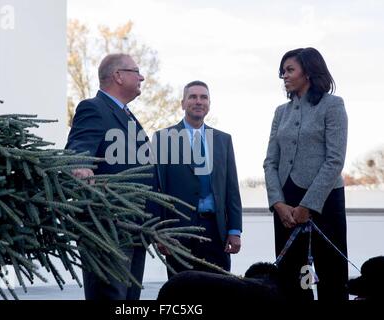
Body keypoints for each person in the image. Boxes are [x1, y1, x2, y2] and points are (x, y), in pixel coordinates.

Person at [263, 47, 349, 301]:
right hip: (286, 208)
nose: (284, 76)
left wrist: (308, 205)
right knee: (291, 280)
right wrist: (278, 203)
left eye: (290, 70)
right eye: (283, 72)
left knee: (331, 278)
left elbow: (335, 160)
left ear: (308, 72)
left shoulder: (333, 105)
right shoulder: (281, 112)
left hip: (325, 203)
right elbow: (270, 162)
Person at [65, 53, 150, 300]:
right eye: (136, 71)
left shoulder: (128, 116)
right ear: (119, 76)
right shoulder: (93, 108)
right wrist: (81, 166)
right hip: (107, 228)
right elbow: (78, 148)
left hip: (135, 228)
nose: (141, 76)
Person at [154, 80, 242, 278]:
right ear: (183, 103)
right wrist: (160, 232)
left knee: (218, 291)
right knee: (182, 294)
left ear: (209, 104)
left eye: (203, 97)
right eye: (192, 97)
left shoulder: (223, 140)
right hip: (178, 232)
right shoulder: (163, 138)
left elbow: (231, 188)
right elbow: (158, 188)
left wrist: (235, 229)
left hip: (216, 231)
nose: (198, 101)